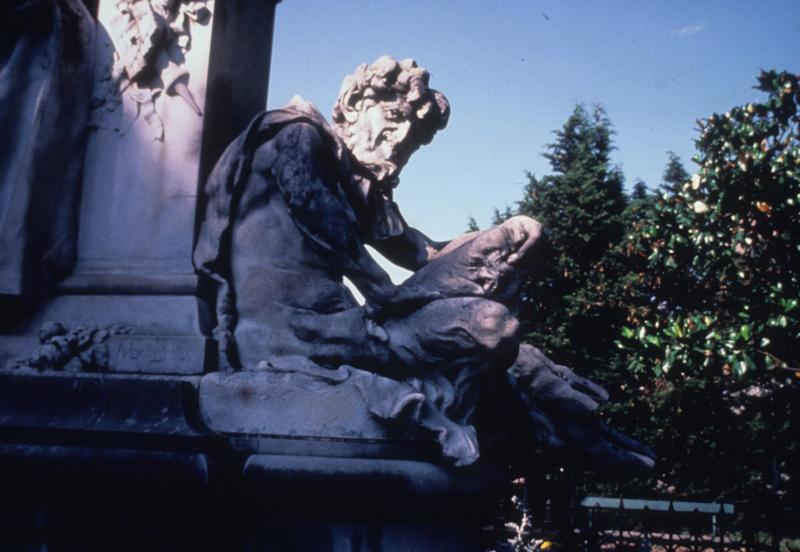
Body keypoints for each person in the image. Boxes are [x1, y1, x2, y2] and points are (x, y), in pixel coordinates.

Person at [194, 56, 655, 471]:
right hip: (290, 335)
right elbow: (314, 209)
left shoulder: (354, 183)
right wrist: (386, 293)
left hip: (342, 329)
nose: (397, 142)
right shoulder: (296, 134)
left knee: (515, 352)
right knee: (489, 325)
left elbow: (422, 252)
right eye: (392, 118)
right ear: (353, 106)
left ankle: (586, 434)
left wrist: (503, 237)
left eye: (411, 142)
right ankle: (571, 436)